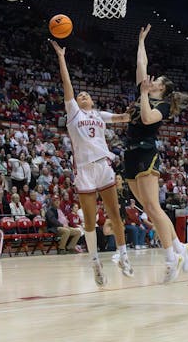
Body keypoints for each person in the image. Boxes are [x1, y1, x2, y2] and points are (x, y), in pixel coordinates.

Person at [51, 40, 135, 283]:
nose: (82, 95)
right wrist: (61, 57)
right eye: (80, 95)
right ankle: (95, 263)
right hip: (84, 170)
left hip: (103, 166)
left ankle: (123, 256)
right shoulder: (73, 113)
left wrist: (144, 103)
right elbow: (67, 85)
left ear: (92, 102)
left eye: (86, 95)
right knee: (89, 221)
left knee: (115, 215)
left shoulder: (99, 115)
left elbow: (124, 118)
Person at [123, 25, 188, 283]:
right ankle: (180, 247)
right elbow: (141, 65)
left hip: (146, 153)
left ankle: (171, 258)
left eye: (157, 81)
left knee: (153, 206)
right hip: (129, 154)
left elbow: (146, 117)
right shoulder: (146, 93)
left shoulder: (160, 104)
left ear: (161, 89)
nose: (151, 81)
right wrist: (141, 40)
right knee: (147, 209)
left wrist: (143, 95)